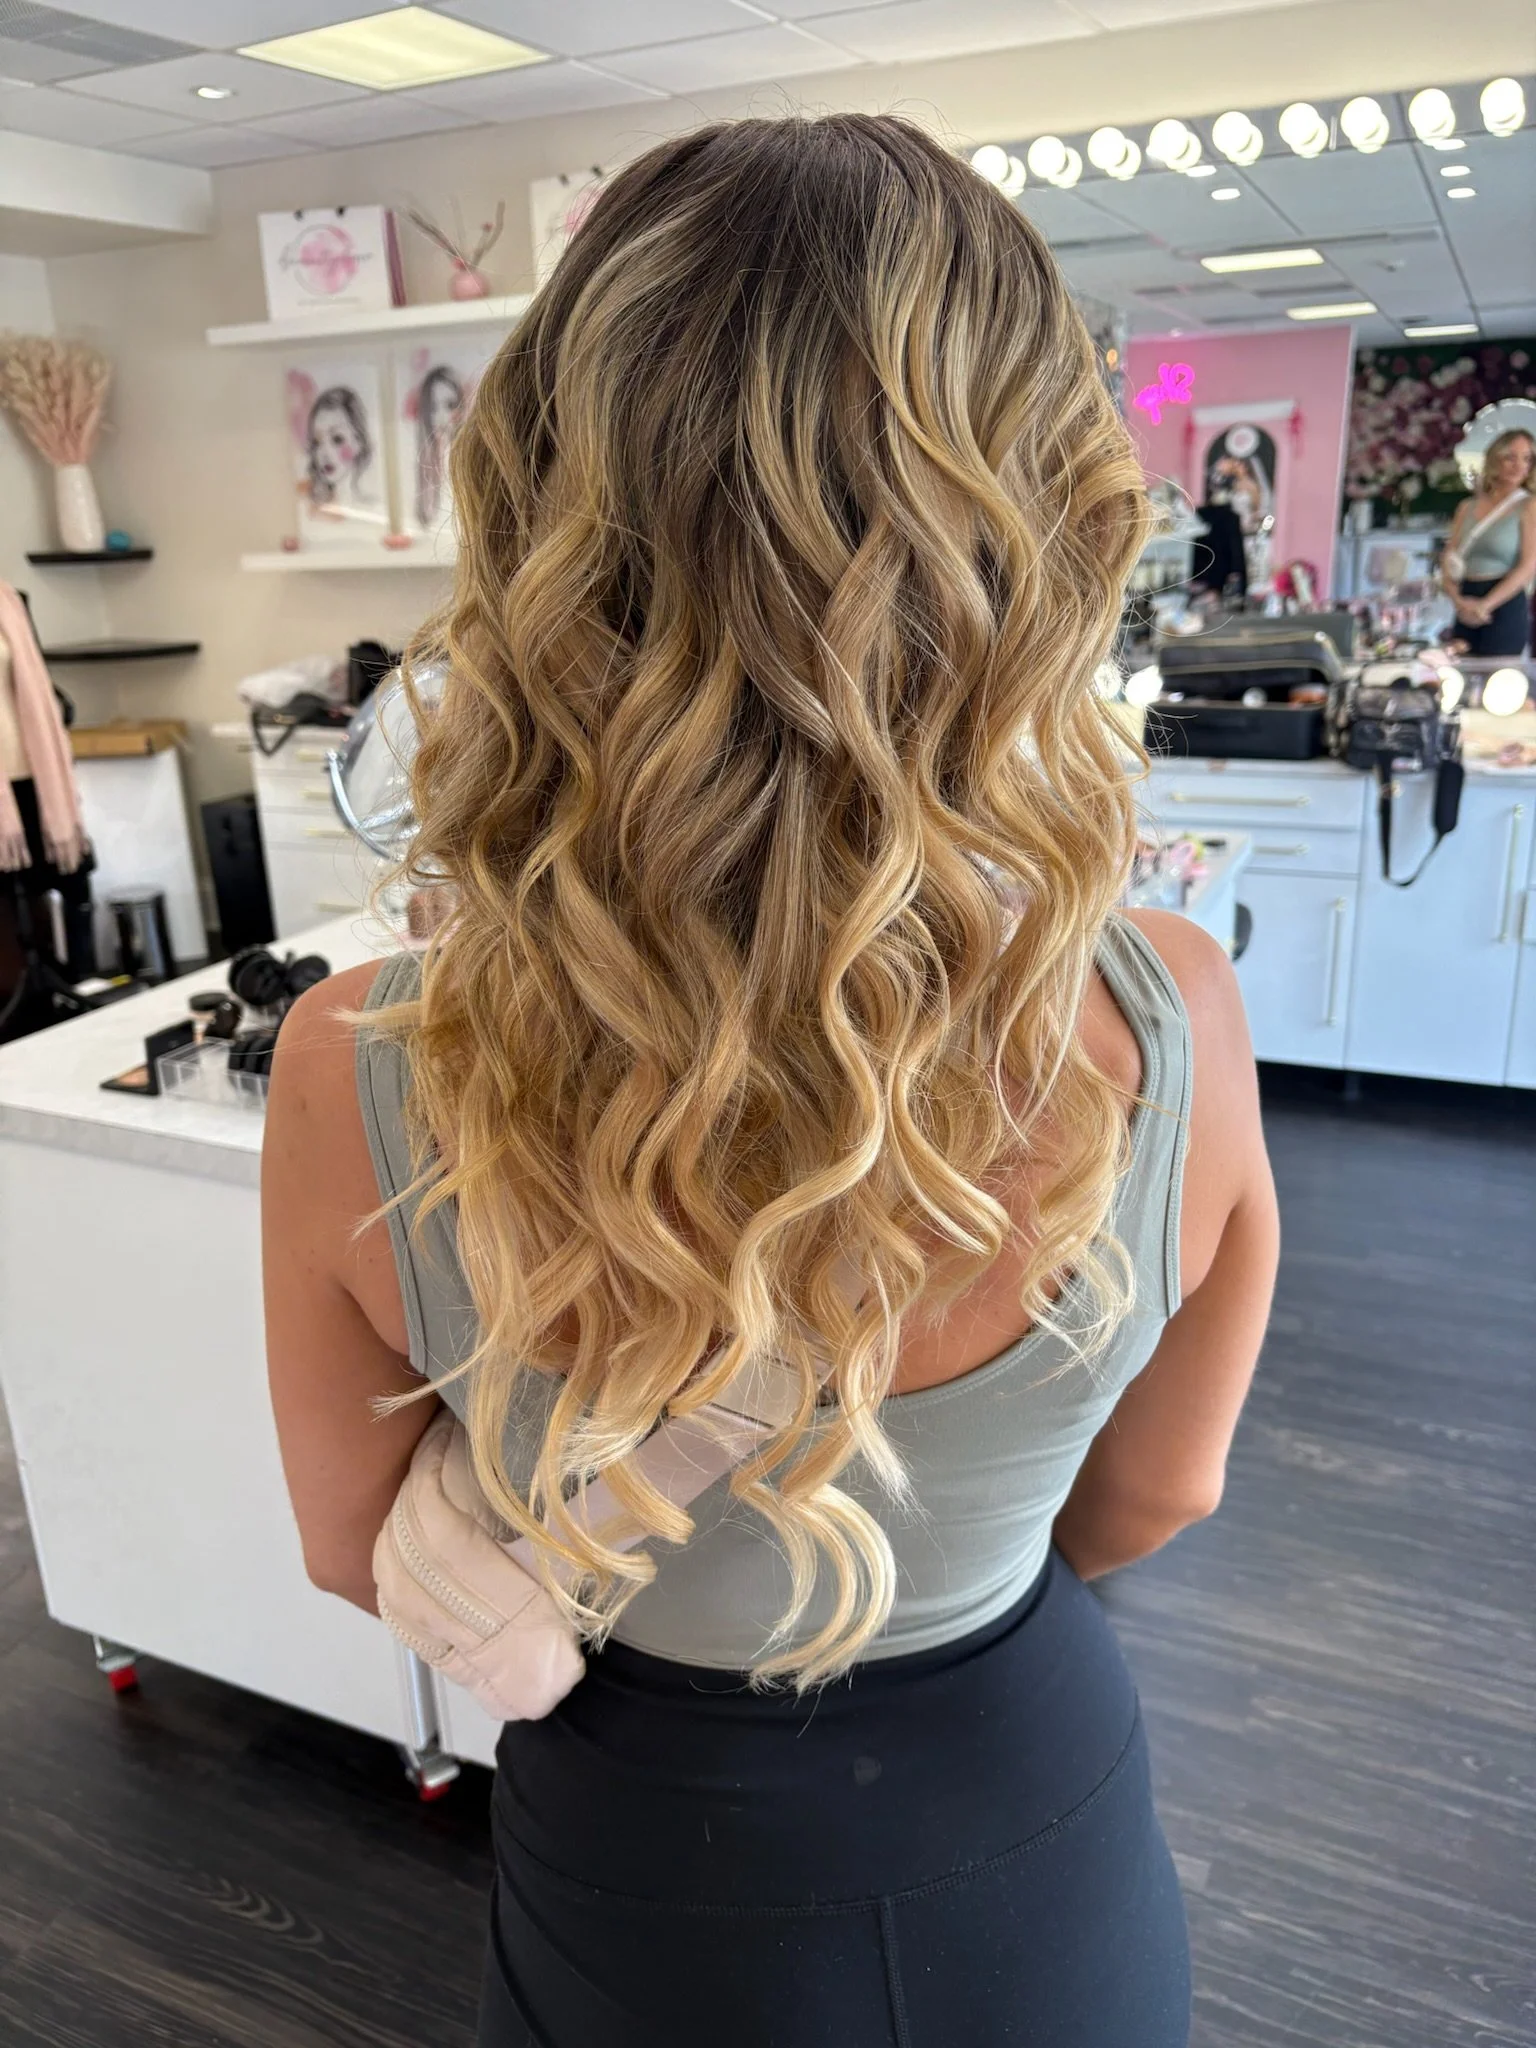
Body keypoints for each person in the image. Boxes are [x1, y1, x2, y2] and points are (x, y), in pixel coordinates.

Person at [263, 114, 1278, 2048]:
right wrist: (939, 1531)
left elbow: (346, 1542)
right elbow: (1159, 1491)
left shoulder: (357, 1065)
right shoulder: (1173, 1017)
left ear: (546, 514)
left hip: (643, 1846)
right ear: (1047, 519)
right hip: (1016, 1791)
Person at [1440, 427, 1536, 658]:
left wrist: (1485, 605)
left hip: (1504, 604)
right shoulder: (1467, 507)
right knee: (1458, 683)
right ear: (1496, 459)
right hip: (1466, 601)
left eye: (1526, 459)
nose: (1518, 465)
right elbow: (1449, 560)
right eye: (1510, 457)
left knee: (1497, 685)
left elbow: (1528, 566)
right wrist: (1458, 601)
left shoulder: (1529, 506)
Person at [305, 384, 375, 510]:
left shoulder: (373, 508)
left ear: (358, 442)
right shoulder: (317, 510)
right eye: (317, 442)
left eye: (337, 439)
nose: (324, 453)